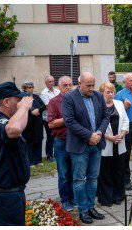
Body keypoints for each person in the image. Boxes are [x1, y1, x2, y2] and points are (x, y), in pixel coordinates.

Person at [0, 81, 33, 226]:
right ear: (7, 102)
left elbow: (18, 127)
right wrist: (24, 108)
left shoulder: (4, 120)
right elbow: (14, 129)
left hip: (10, 194)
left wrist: (23, 110)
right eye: (18, 100)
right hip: (3, 195)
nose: (21, 103)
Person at [62, 72, 109, 224]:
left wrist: (99, 133)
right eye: (88, 85)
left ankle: (91, 206)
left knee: (93, 178)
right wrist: (89, 136)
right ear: (79, 84)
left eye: (93, 85)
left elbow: (105, 117)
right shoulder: (69, 98)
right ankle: (82, 209)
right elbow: (69, 121)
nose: (91, 88)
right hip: (79, 146)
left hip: (96, 144)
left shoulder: (97, 96)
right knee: (79, 179)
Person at [97, 81, 128, 207]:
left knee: (118, 170)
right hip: (106, 143)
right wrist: (110, 138)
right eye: (107, 92)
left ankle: (118, 196)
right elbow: (96, 127)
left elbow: (125, 120)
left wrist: (122, 134)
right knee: (105, 172)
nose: (110, 94)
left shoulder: (119, 104)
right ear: (101, 93)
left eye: (112, 92)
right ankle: (106, 198)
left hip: (119, 142)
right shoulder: (98, 106)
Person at [47, 76, 74, 211]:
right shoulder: (54, 102)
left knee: (75, 173)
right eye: (65, 85)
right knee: (63, 175)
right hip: (61, 142)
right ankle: (65, 200)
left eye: (70, 85)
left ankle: (73, 197)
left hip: (75, 141)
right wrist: (67, 118)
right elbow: (51, 123)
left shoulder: (77, 99)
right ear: (59, 87)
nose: (68, 87)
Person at [21, 81, 46, 166]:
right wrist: (31, 112)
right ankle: (31, 162)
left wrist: (38, 110)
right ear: (24, 89)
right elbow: (21, 108)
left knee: (38, 140)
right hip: (28, 123)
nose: (31, 89)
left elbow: (43, 106)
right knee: (29, 142)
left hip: (38, 123)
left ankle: (38, 160)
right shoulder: (22, 98)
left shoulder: (36, 97)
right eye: (29, 87)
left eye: (32, 87)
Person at [40, 75, 60, 162]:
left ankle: (56, 154)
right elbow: (49, 107)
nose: (52, 83)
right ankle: (49, 156)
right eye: (50, 82)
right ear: (46, 83)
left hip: (58, 118)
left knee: (57, 136)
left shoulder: (57, 91)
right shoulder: (44, 93)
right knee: (50, 137)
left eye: (53, 81)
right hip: (48, 119)